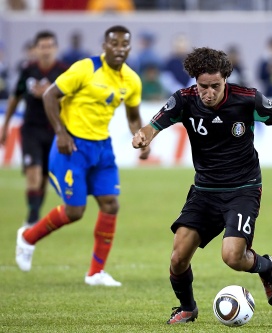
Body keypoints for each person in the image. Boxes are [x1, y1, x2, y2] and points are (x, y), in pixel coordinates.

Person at [131, 47, 272, 324]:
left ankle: (265, 267)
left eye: (215, 86)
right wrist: (143, 136)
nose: (208, 92)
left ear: (226, 79)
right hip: (204, 191)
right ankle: (187, 308)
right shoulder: (184, 100)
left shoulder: (246, 99)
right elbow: (154, 125)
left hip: (243, 189)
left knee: (232, 257)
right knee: (177, 258)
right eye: (202, 86)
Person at [14, 25, 150, 287]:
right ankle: (28, 237)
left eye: (125, 45)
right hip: (72, 147)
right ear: (104, 46)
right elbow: (50, 96)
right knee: (75, 211)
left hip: (102, 148)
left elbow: (133, 115)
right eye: (114, 44)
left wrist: (143, 137)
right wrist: (61, 133)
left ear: (130, 48)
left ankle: (95, 273)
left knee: (111, 203)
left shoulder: (132, 79)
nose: (120, 49)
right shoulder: (84, 68)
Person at [0, 31, 68, 226]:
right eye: (42, 46)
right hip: (31, 129)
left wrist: (49, 95)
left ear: (55, 48)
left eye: (49, 46)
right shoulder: (28, 70)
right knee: (33, 173)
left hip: (55, 130)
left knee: (45, 177)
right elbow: (15, 97)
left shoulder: (64, 71)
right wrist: (5, 125)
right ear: (36, 49)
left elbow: (73, 100)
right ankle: (32, 217)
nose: (46, 50)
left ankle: (35, 213)